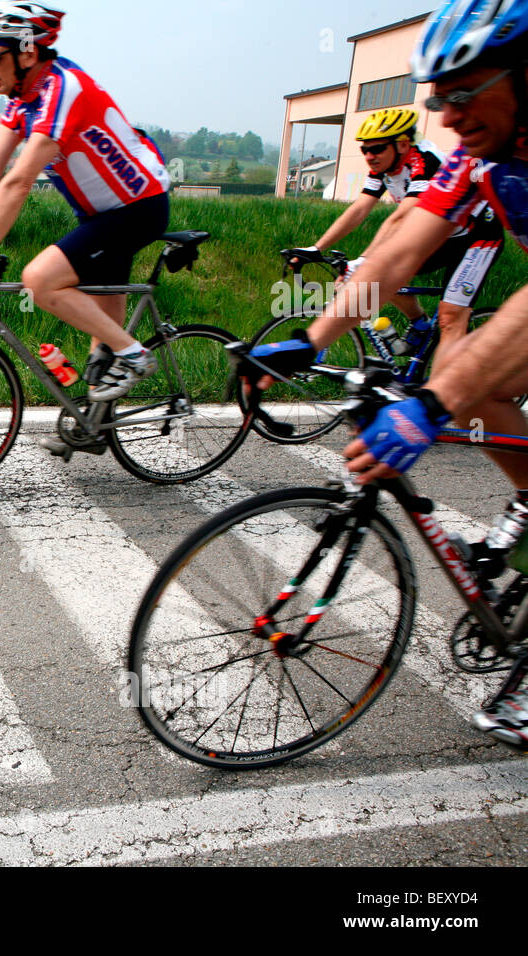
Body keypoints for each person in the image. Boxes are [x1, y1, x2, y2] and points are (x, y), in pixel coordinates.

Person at [247, 0, 528, 747]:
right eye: (438, 99)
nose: (447, 115)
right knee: (487, 387)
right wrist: (313, 338)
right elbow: (398, 253)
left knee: (466, 370)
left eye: (463, 93)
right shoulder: (483, 156)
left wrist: (434, 402)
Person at [0, 2, 171, 454]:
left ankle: (138, 357)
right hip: (99, 215)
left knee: (39, 280)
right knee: (98, 354)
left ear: (27, 54)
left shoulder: (63, 89)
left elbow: (17, 182)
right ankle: (94, 429)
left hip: (137, 208)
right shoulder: (22, 99)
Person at [289, 106, 503, 354]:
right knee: (382, 276)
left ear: (402, 145)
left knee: (449, 317)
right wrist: (316, 248)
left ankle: (450, 386)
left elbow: (403, 218)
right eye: (365, 149)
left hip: (478, 237)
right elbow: (359, 209)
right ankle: (420, 325)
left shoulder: (426, 162)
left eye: (377, 148)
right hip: (442, 234)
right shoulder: (384, 167)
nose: (369, 155)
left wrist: (364, 261)